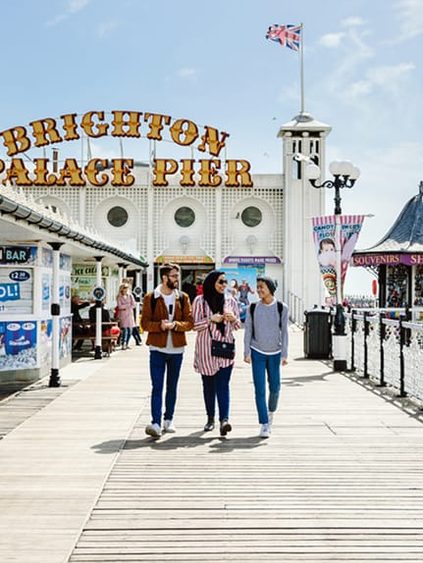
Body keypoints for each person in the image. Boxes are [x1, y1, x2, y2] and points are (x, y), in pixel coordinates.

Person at [141, 263, 193, 439]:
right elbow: (144, 324)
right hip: (157, 348)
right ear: (164, 277)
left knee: (172, 386)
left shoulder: (183, 297)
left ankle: (168, 419)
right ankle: (155, 422)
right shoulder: (151, 297)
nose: (177, 279)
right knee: (157, 386)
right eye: (173, 276)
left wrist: (176, 325)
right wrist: (160, 326)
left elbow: (190, 322)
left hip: (177, 349)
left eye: (177, 275)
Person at [192, 270, 241, 436]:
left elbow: (238, 326)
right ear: (212, 282)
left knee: (223, 385)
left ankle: (224, 420)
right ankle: (210, 418)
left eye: (225, 282)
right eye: (221, 282)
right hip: (206, 349)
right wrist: (210, 320)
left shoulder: (230, 301)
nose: (224, 285)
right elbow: (195, 325)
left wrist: (233, 318)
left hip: (225, 349)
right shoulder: (200, 301)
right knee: (208, 386)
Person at [243, 276, 288, 439]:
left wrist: (284, 353)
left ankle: (271, 412)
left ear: (270, 288)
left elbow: (284, 332)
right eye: (258, 287)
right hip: (257, 352)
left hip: (275, 353)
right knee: (259, 389)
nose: (259, 290)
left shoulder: (282, 307)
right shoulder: (253, 308)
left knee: (275, 387)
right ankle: (264, 423)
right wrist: (246, 352)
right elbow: (248, 330)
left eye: (262, 287)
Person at [116, 284, 136, 350]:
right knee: (125, 330)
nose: (126, 289)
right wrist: (128, 305)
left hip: (130, 315)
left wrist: (125, 306)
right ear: (122, 289)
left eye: (127, 288)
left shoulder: (130, 296)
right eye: (124, 288)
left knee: (130, 331)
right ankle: (123, 344)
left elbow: (133, 305)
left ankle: (127, 343)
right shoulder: (119, 297)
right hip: (123, 316)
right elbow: (119, 306)